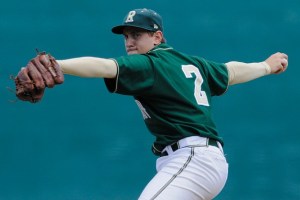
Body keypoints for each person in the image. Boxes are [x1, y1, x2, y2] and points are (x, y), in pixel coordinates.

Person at [17, 8, 288, 200]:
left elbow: (103, 66)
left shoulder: (150, 64)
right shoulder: (191, 63)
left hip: (192, 160)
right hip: (200, 161)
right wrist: (265, 66)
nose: (130, 42)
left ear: (157, 37)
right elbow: (231, 71)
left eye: (137, 34)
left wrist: (56, 64)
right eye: (126, 36)